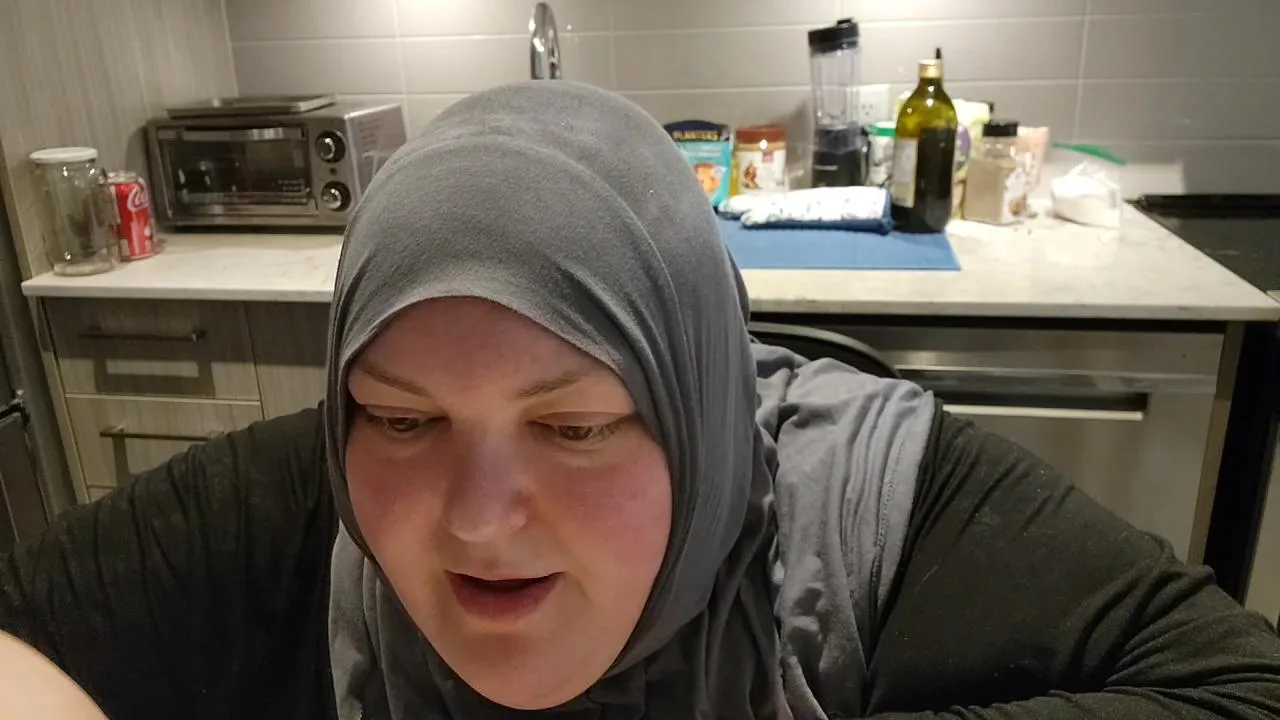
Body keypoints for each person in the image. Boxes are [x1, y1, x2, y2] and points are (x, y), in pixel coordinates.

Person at [2, 80, 1280, 719]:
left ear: (700, 413)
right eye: (401, 418)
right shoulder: (315, 498)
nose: (475, 519)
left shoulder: (869, 506)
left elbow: (1238, 686)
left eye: (572, 427)